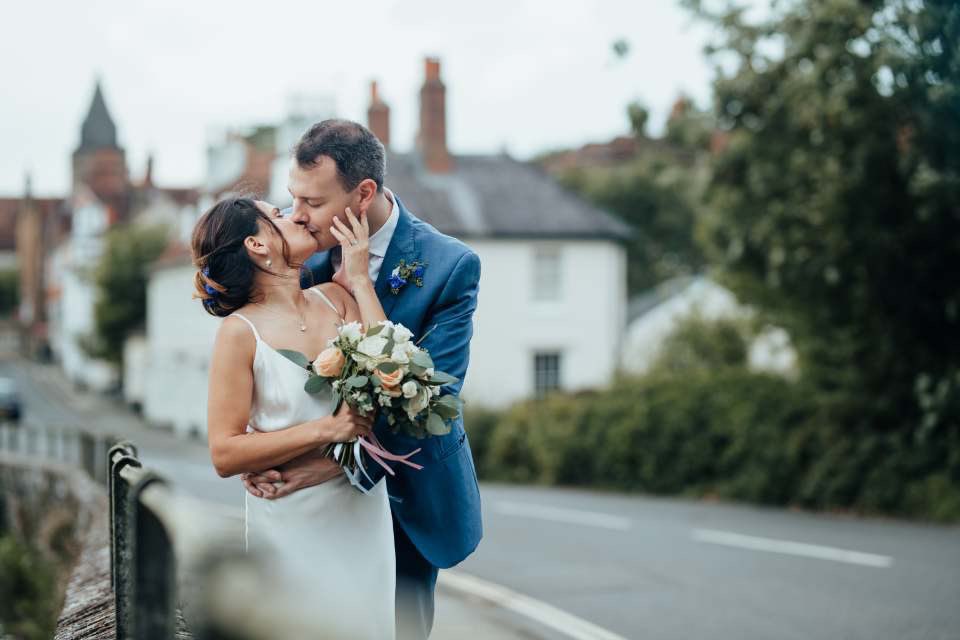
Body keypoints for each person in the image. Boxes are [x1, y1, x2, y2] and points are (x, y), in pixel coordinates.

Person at [240, 119, 483, 639]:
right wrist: (264, 451)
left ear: (363, 193)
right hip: (313, 505)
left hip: (406, 494)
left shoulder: (449, 267)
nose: (296, 216)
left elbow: (433, 397)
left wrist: (326, 468)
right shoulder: (303, 254)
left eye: (313, 202)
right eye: (292, 198)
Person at [194, 196, 395, 638]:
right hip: (288, 521)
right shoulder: (238, 333)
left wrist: (360, 280)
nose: (297, 215)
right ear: (257, 244)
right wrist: (330, 428)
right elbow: (225, 452)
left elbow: (391, 377)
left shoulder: (338, 299)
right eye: (280, 215)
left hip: (359, 513)